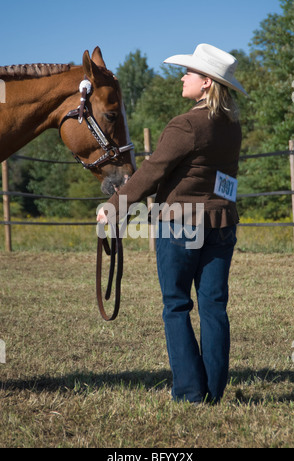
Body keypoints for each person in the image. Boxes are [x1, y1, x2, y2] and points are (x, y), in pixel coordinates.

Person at [97, 43, 247, 404]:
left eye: (190, 73)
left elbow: (152, 171)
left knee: (176, 305)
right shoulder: (231, 125)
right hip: (222, 222)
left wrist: (114, 206)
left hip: (181, 224)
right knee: (213, 306)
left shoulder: (186, 124)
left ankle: (190, 393)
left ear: (207, 83)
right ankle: (212, 390)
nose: (183, 77)